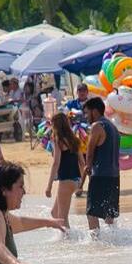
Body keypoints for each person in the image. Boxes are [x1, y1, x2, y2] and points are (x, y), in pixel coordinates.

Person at [82, 97, 120, 233]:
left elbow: (90, 151)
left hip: (100, 175)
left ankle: (95, 243)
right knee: (109, 213)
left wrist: (87, 167)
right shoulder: (113, 127)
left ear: (95, 111)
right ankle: (114, 240)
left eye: (87, 113)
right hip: (114, 175)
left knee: (91, 212)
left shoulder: (97, 126)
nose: (86, 117)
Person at [42, 112, 82, 223]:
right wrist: (81, 183)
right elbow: (82, 162)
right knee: (54, 213)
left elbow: (56, 163)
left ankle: (69, 240)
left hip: (66, 180)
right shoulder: (75, 139)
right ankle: (66, 239)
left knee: (62, 219)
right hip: (76, 180)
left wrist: (49, 186)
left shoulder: (57, 139)